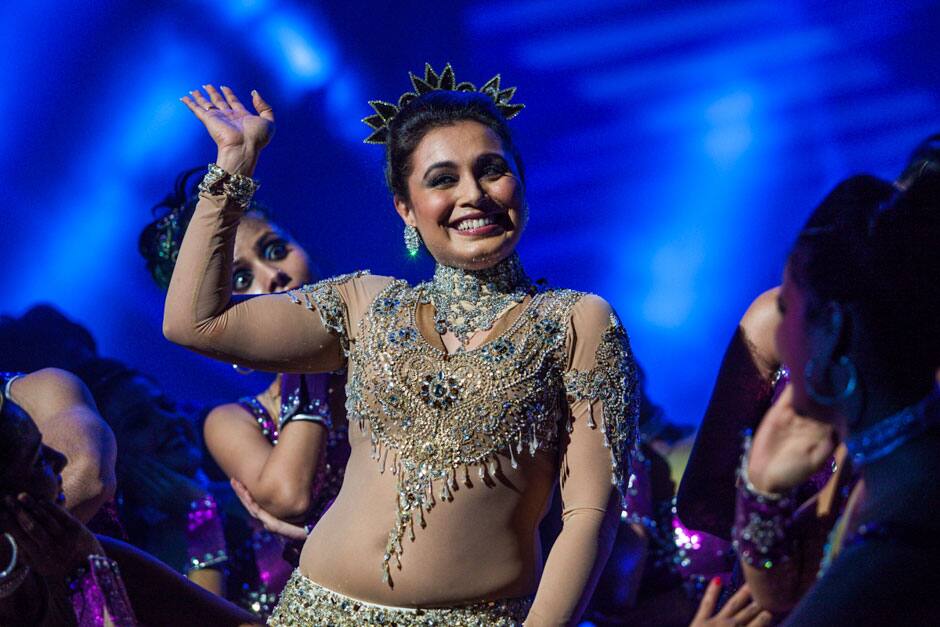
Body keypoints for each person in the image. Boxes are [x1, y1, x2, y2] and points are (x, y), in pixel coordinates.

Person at [164, 64, 639, 624]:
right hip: (313, 612)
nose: (473, 194)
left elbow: (590, 514)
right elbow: (194, 324)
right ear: (406, 208)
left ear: (522, 183)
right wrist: (234, 167)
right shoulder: (365, 304)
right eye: (442, 179)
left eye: (492, 170)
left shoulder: (577, 322)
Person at [734, 168, 940, 625]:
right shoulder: (898, 469)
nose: (777, 336)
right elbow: (778, 593)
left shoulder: (896, 540)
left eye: (786, 307)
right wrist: (762, 492)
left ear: (833, 327)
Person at [0, 393, 260, 626]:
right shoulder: (91, 551)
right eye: (38, 460)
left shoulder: (94, 553)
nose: (61, 460)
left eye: (166, 405)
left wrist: (86, 572)